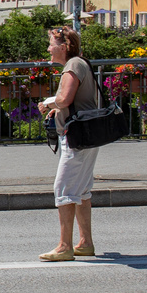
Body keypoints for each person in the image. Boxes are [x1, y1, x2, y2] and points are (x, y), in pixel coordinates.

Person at [37, 26, 99, 261]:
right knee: (82, 191)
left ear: (64, 47)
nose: (48, 49)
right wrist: (58, 109)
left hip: (77, 136)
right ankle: (85, 243)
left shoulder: (72, 66)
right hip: (88, 134)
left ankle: (65, 246)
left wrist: (49, 105)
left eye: (51, 44)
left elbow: (65, 99)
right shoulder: (82, 63)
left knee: (63, 189)